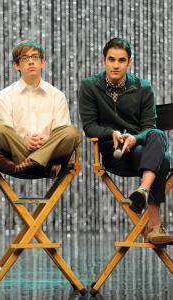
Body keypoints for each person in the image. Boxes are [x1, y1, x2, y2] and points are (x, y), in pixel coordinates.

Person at [78, 37, 173, 245]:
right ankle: (155, 225)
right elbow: (89, 126)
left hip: (139, 151)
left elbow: (149, 128)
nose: (116, 65)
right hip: (115, 155)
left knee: (157, 135)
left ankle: (142, 191)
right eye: (111, 59)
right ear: (103, 60)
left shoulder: (144, 87)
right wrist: (110, 133)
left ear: (129, 62)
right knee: (163, 159)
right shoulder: (89, 86)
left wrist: (134, 138)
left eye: (121, 60)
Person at [0, 40, 81, 177]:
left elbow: (61, 131)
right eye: (25, 58)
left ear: (43, 62)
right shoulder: (5, 95)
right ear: (16, 65)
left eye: (35, 57)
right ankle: (44, 166)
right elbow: (6, 131)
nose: (31, 62)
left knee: (71, 132)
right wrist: (23, 140)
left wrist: (47, 141)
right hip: (18, 152)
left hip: (44, 151)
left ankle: (25, 164)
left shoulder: (57, 95)